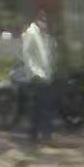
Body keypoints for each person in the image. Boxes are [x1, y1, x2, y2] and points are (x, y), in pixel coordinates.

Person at [21, 11, 54, 142]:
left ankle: (36, 134)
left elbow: (45, 54)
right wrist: (34, 72)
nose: (46, 24)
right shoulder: (32, 33)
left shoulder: (43, 34)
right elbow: (26, 53)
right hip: (37, 75)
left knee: (40, 106)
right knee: (42, 106)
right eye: (44, 21)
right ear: (38, 20)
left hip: (45, 75)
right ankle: (44, 135)